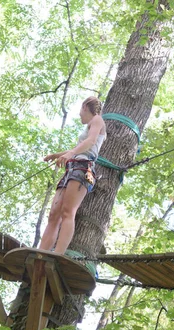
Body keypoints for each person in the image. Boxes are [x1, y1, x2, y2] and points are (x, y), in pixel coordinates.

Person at [39, 96, 106, 254]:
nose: (79, 115)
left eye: (80, 111)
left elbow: (90, 142)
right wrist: (57, 155)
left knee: (68, 211)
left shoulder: (97, 120)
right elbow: (80, 146)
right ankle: (40, 252)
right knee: (54, 214)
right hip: (72, 167)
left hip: (83, 167)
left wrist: (71, 153)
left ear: (84, 107)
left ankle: (58, 254)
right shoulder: (89, 125)